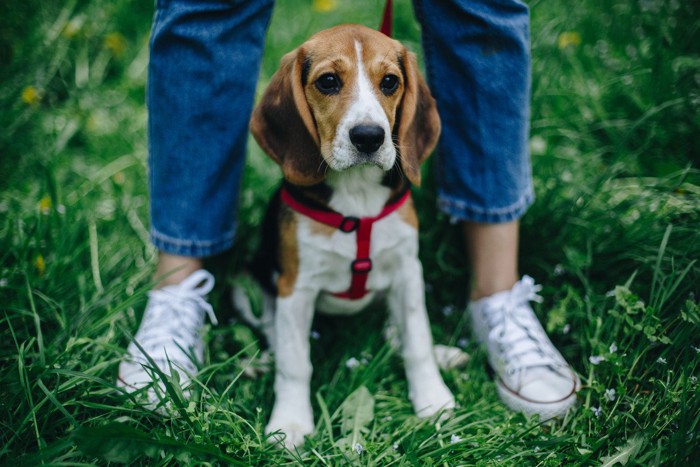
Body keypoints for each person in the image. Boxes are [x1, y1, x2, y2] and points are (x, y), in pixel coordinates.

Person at [117, 0, 579, 419]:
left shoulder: (399, 198)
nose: (367, 121)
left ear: (406, 99)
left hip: (378, 254)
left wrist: (423, 372)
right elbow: (292, 293)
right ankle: (181, 296)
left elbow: (406, 277)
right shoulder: (296, 188)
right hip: (296, 273)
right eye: (331, 83)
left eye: (389, 84)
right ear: (296, 99)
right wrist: (292, 393)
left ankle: (493, 300)